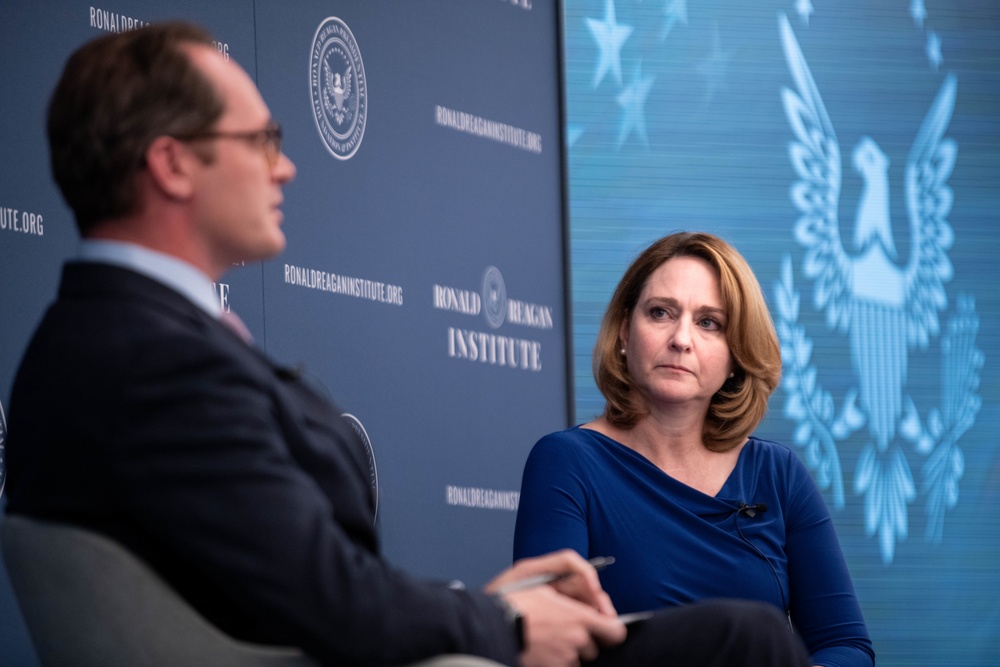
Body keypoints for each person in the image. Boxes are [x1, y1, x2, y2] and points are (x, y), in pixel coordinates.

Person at [4, 24, 811, 667]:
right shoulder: (156, 360)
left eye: (709, 322)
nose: (284, 167)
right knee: (748, 640)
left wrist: (479, 604)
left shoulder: (107, 337)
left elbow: (290, 575)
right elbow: (329, 598)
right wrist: (499, 620)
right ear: (173, 164)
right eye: (260, 139)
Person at [513, 232, 875, 666]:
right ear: (625, 330)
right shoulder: (567, 462)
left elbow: (847, 647)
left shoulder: (778, 474)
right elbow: (547, 645)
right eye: (661, 313)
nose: (681, 339)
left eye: (709, 323)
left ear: (735, 354)